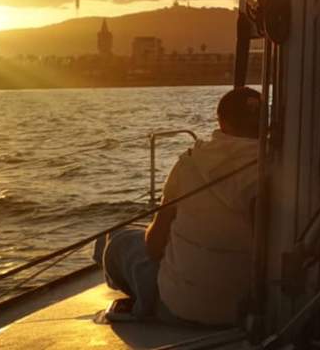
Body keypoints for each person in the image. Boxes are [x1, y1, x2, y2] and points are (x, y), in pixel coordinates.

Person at [98, 86, 261, 325]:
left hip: (180, 308)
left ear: (221, 121)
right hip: (247, 309)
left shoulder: (189, 163)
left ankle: (134, 294)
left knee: (117, 240)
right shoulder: (277, 166)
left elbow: (154, 247)